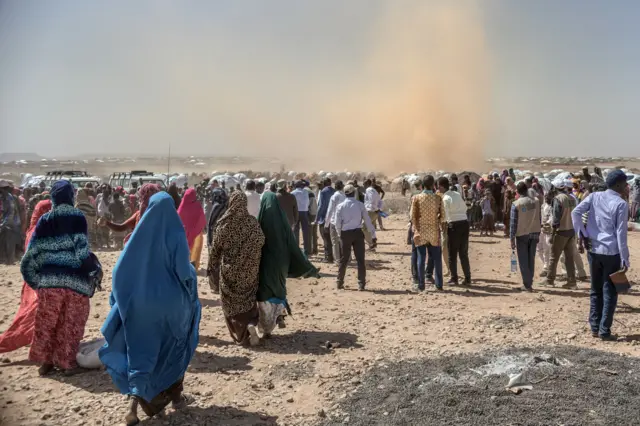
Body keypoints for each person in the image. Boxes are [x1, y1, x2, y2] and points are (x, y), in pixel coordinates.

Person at [99, 192, 201, 425]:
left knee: (141, 351)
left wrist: (122, 300)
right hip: (171, 306)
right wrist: (192, 278)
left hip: (141, 308)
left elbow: (118, 273)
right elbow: (184, 272)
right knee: (176, 344)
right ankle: (176, 397)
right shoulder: (175, 234)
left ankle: (133, 404)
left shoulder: (138, 238)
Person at [20, 180, 99, 376]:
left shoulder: (45, 220)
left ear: (53, 197)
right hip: (75, 281)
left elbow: (31, 255)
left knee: (47, 322)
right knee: (71, 322)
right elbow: (82, 252)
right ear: (71, 196)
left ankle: (46, 362)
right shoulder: (77, 217)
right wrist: (94, 272)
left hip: (49, 282)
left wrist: (37, 282)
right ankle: (66, 363)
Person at [572, 170, 630, 341]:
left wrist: (582, 234)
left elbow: (576, 212)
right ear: (618, 185)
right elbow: (621, 232)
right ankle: (605, 330)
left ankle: (595, 327)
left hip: (594, 250)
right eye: (625, 184)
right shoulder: (621, 203)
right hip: (611, 252)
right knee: (610, 291)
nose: (627, 187)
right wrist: (625, 257)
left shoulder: (594, 196)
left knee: (595, 290)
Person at [256, 192, 319, 335]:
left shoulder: (260, 221)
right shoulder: (283, 220)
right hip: (281, 264)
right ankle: (279, 315)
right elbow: (292, 244)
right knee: (279, 289)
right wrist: (307, 267)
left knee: (264, 292)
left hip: (265, 264)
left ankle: (266, 328)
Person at [209, 191, 265, 346]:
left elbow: (215, 249)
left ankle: (240, 335)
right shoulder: (252, 223)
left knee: (230, 303)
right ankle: (251, 323)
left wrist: (211, 266)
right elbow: (261, 240)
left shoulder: (223, 223)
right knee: (248, 299)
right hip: (249, 271)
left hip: (229, 271)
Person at [0, 200, 52, 354]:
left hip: (32, 280)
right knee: (36, 313)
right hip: (41, 280)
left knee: (32, 312)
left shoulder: (32, 230)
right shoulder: (42, 231)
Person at [335, 185, 376, 291]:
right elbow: (367, 221)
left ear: (345, 193)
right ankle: (361, 284)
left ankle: (339, 282)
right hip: (358, 234)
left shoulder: (340, 206)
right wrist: (373, 235)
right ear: (354, 193)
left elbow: (337, 223)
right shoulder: (360, 205)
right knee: (360, 260)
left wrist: (340, 234)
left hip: (345, 234)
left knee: (344, 259)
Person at [411, 175, 446, 291]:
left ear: (422, 185)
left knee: (421, 258)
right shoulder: (438, 198)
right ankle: (439, 285)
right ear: (433, 185)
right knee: (436, 259)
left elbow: (413, 216)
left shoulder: (416, 198)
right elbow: (443, 216)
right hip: (434, 232)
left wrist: (416, 228)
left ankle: (421, 285)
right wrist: (439, 223)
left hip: (421, 231)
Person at [542, 180, 578, 288]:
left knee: (554, 257)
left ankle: (549, 281)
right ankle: (572, 282)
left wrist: (553, 235)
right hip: (571, 231)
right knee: (569, 258)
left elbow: (556, 220)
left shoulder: (558, 199)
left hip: (561, 232)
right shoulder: (572, 198)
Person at [438, 177, 471, 286]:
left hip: (454, 225)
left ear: (442, 186)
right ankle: (467, 278)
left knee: (452, 253)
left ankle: (454, 278)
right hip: (464, 223)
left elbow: (445, 216)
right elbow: (465, 208)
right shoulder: (456, 194)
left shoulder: (445, 198)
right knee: (463, 253)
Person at [510, 182, 541, 292]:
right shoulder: (535, 202)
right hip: (534, 233)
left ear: (517, 191)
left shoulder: (516, 204)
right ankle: (529, 283)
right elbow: (539, 217)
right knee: (530, 259)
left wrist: (511, 239)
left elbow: (513, 223)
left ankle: (527, 285)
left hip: (522, 234)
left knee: (523, 260)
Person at [206, 188, 228, 294]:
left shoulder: (216, 207)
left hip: (216, 238)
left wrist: (210, 241)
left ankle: (216, 286)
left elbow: (211, 225)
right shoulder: (228, 206)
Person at [177, 188, 207, 269]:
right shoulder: (197, 205)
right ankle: (194, 266)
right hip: (196, 233)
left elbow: (178, 218)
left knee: (184, 251)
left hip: (183, 233)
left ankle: (184, 267)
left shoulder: (182, 205)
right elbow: (202, 218)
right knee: (195, 249)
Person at [325, 180, 346, 266]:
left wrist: (326, 224)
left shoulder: (334, 196)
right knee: (343, 240)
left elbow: (330, 211)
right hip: (344, 222)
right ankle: (347, 258)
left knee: (334, 242)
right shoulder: (345, 196)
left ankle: (337, 260)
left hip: (334, 222)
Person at [316, 178, 336, 263]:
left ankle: (328, 257)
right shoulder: (334, 191)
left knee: (326, 238)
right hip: (333, 218)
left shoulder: (323, 192)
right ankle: (335, 256)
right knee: (332, 239)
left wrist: (317, 218)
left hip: (324, 218)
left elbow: (321, 206)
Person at [0, 181, 19, 264]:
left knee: (9, 241)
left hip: (11, 224)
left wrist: (3, 224)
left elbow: (10, 213)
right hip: (5, 222)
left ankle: (10, 260)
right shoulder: (3, 197)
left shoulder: (9, 198)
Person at [291, 180, 311, 256]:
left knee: (296, 231)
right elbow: (308, 203)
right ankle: (306, 250)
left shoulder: (293, 193)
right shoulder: (306, 192)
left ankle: (297, 250)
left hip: (296, 212)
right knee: (305, 231)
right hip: (305, 212)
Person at [76, 185, 98, 250]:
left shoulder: (78, 205)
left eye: (78, 195)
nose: (76, 196)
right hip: (89, 227)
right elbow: (94, 215)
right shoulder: (89, 205)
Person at [363, 179, 380, 249]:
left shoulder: (369, 190)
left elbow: (371, 199)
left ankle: (371, 244)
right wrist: (377, 209)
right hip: (374, 211)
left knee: (363, 228)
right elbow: (379, 201)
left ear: (367, 184)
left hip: (370, 211)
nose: (363, 186)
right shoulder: (374, 190)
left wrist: (370, 208)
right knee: (371, 228)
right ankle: (373, 240)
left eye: (364, 184)